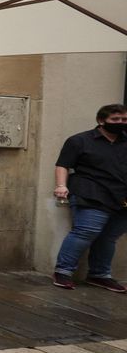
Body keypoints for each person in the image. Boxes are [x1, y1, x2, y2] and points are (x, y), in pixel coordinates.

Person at [52, 104, 127, 293]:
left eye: (124, 120)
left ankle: (100, 275)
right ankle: (63, 271)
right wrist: (61, 186)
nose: (120, 123)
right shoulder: (79, 141)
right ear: (101, 121)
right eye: (115, 119)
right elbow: (63, 165)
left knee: (109, 237)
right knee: (85, 231)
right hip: (91, 192)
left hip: (122, 196)